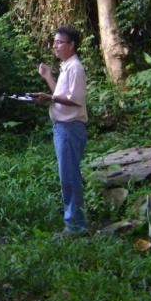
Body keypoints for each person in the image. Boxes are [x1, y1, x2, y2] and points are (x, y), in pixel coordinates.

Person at [32, 25, 88, 234]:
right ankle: (73, 221)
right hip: (62, 127)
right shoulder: (67, 66)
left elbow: (75, 100)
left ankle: (75, 226)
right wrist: (47, 76)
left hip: (70, 128)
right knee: (68, 176)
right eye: (54, 42)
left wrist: (48, 98)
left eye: (59, 42)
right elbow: (60, 94)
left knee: (69, 178)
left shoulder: (75, 68)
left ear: (71, 45)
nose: (54, 46)